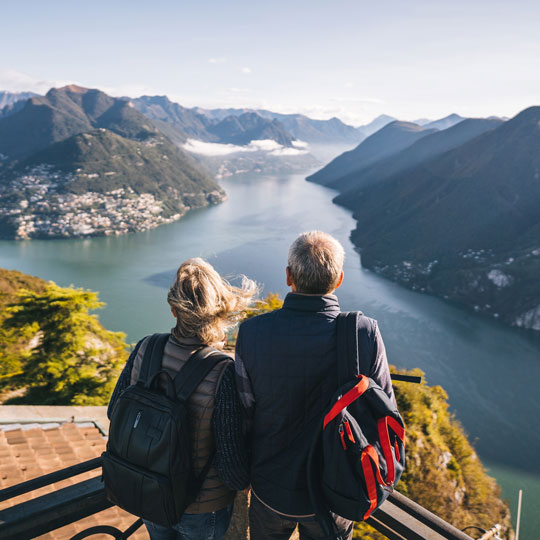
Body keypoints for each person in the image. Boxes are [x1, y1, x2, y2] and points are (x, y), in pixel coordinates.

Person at [235, 231, 396, 540]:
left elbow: (244, 411)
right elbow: (384, 412)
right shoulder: (364, 333)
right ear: (339, 280)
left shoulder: (253, 333)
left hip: (271, 488)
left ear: (288, 276)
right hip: (334, 493)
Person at [108, 258, 257, 540]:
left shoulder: (146, 347)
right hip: (202, 506)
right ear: (219, 310)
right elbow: (229, 457)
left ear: (173, 310)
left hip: (149, 490)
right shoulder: (223, 370)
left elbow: (115, 411)